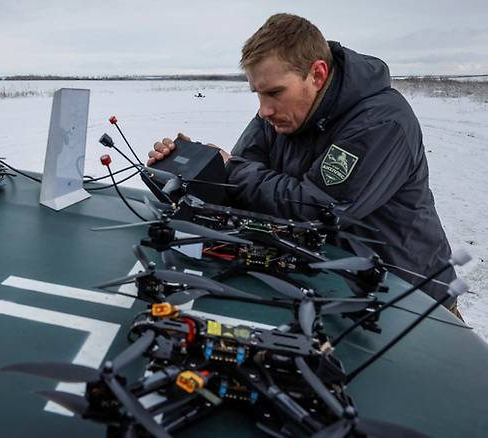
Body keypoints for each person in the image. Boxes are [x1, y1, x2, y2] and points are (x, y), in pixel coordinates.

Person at [147, 13, 461, 316]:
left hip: (411, 303)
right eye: (258, 93)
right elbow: (241, 180)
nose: (264, 110)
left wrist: (230, 168)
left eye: (274, 93)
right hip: (334, 288)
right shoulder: (281, 113)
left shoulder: (381, 123)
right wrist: (199, 169)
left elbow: (313, 210)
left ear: (318, 74)